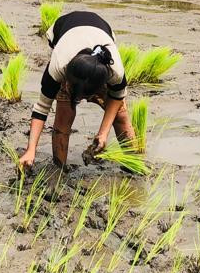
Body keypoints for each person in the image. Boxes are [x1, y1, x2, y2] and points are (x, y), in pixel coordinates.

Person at [19, 10, 134, 171]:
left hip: (102, 30)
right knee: (63, 115)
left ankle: (134, 164)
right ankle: (59, 169)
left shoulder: (114, 71)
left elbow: (117, 97)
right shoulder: (59, 66)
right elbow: (41, 108)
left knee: (120, 113)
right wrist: (31, 150)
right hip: (63, 31)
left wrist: (103, 133)